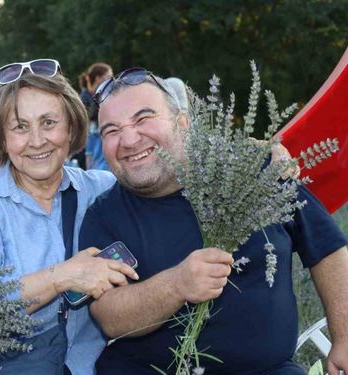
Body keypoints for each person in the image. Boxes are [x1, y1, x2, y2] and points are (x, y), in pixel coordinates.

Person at [79, 67, 348, 374]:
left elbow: (326, 248)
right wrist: (177, 284)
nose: (128, 139)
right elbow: (109, 316)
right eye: (111, 130)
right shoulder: (103, 216)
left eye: (143, 119)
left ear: (183, 123)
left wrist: (345, 336)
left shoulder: (255, 172)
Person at [0, 59, 137, 375]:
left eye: (49, 123)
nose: (36, 140)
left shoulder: (102, 190)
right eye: (20, 127)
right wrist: (61, 276)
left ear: (72, 127)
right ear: (1, 138)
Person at [78, 62, 113, 170]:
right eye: (108, 77)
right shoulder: (84, 97)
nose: (111, 80)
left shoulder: (96, 94)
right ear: (98, 78)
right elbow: (86, 119)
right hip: (88, 148)